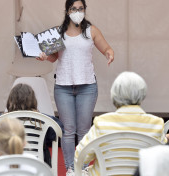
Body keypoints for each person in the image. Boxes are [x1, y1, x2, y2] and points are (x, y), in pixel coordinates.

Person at [36, 0, 114, 174]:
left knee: (84, 129)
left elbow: (106, 48)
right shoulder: (58, 32)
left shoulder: (91, 31)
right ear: (67, 11)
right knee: (68, 130)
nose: (77, 11)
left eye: (81, 8)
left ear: (85, 10)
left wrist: (110, 54)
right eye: (74, 9)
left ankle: (84, 167)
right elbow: (53, 57)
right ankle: (71, 168)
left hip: (87, 86)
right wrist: (44, 56)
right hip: (63, 86)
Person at [74, 71, 167, 176]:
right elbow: (165, 160)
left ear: (114, 94)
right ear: (142, 93)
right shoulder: (156, 124)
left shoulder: (102, 123)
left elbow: (80, 156)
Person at [0, 83, 63, 166]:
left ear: (10, 100)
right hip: (37, 163)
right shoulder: (43, 120)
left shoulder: (1, 119)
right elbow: (59, 131)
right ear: (33, 100)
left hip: (7, 162)